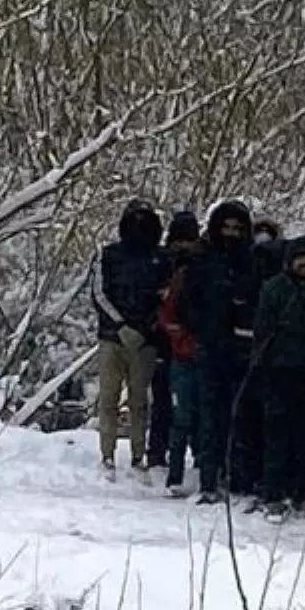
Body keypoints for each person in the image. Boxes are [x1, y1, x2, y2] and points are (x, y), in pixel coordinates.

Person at [183, 200, 260, 503]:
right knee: (210, 414)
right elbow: (189, 301)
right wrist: (204, 327)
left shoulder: (251, 260)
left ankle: (238, 477)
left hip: (242, 347)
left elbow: (258, 300)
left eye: (237, 229)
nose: (231, 233)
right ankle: (208, 479)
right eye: (226, 227)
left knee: (240, 414)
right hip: (211, 346)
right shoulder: (202, 259)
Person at [254, 238, 305, 519]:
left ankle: (303, 492)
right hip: (279, 371)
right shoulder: (274, 288)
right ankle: (273, 492)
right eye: (299, 259)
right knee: (277, 435)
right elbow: (263, 329)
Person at [91, 199, 170, 480]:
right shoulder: (109, 255)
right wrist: (121, 324)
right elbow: (99, 293)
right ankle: (107, 455)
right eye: (134, 220)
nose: (140, 227)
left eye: (145, 221)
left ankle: (139, 456)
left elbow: (168, 297)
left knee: (140, 401)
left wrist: (147, 327)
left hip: (145, 340)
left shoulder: (162, 258)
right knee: (109, 398)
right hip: (112, 337)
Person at [156, 211, 204, 495]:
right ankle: (174, 475)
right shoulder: (174, 273)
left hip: (206, 354)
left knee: (202, 417)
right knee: (180, 416)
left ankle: (201, 468)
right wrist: (180, 339)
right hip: (179, 353)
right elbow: (167, 313)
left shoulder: (207, 274)